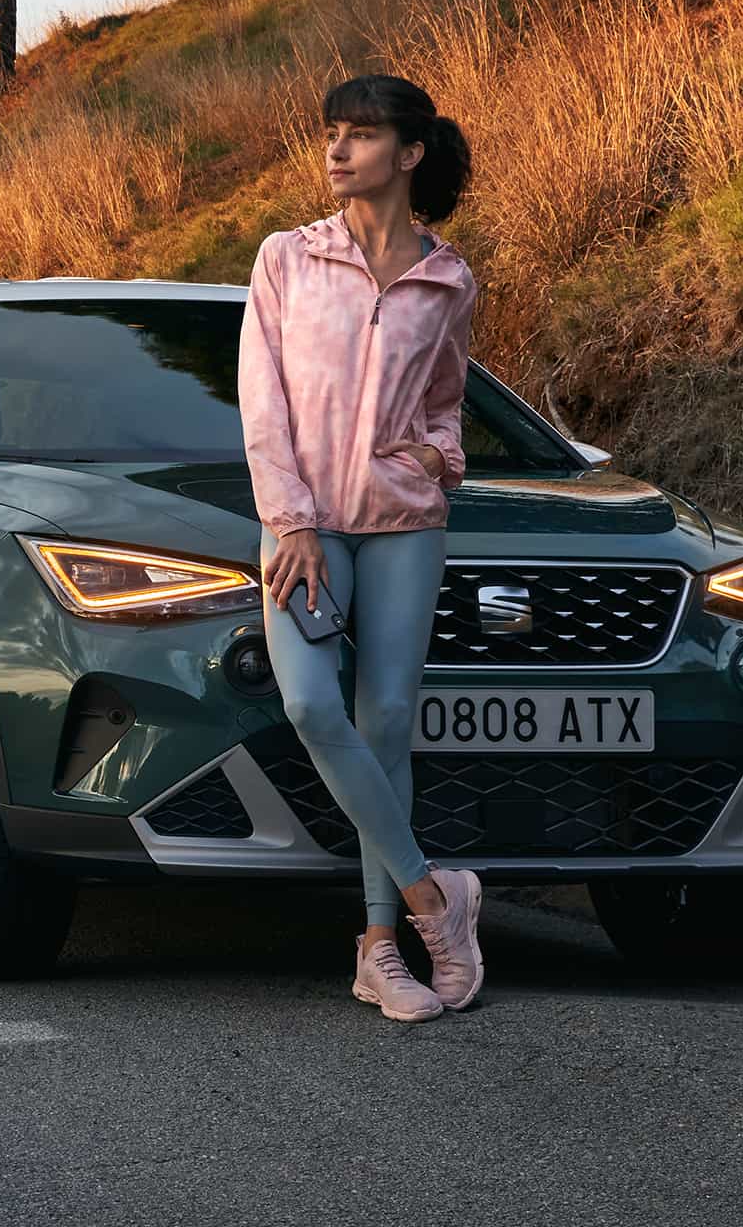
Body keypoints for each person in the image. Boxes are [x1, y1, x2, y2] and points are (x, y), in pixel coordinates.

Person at [236, 72, 487, 1023]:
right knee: (309, 702)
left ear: (409, 154)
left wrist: (435, 456)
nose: (337, 150)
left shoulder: (447, 278)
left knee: (386, 720)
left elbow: (445, 399)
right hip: (303, 524)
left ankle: (380, 949)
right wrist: (291, 518)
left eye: (361, 135)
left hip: (404, 521)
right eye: (332, 133)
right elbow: (263, 401)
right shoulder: (288, 260)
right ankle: (437, 898)